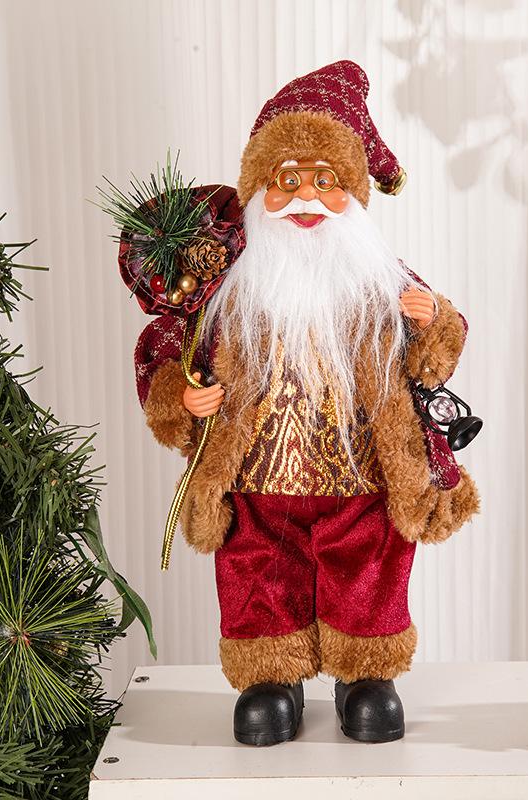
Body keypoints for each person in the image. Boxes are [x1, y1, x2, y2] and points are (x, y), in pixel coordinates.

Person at [136, 60, 479, 746]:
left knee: (369, 571)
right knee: (258, 570)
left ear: (353, 196)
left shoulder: (383, 282)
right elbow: (164, 348)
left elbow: (440, 351)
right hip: (256, 478)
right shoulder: (225, 291)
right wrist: (182, 396)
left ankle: (366, 675)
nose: (306, 199)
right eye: (287, 181)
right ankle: (271, 679)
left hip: (363, 474)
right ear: (256, 191)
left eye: (326, 182)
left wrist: (432, 320)